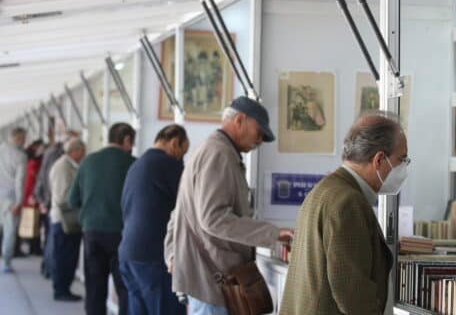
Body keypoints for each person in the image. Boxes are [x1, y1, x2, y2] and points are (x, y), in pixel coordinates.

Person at [166, 96, 293, 315]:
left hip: (206, 280)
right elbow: (214, 218)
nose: (260, 140)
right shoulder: (219, 154)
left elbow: (179, 211)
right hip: (212, 284)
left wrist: (171, 253)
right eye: (259, 132)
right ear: (240, 120)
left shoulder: (209, 149)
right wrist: (272, 233)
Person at [280, 112, 409, 315]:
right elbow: (353, 294)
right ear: (379, 160)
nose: (404, 167)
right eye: (402, 159)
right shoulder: (349, 202)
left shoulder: (325, 189)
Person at [119, 125, 189, 315]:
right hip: (153, 255)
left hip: (128, 253)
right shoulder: (167, 164)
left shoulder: (137, 164)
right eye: (183, 152)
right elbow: (191, 204)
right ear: (175, 143)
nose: (181, 159)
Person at [68, 123, 136, 315]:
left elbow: (72, 200)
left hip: (92, 232)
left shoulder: (88, 162)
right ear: (127, 140)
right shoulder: (132, 164)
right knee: (124, 289)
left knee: (95, 288)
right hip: (122, 235)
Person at [35, 129, 80, 278]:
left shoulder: (58, 157)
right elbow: (59, 192)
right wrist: (45, 200)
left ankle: (50, 270)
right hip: (61, 213)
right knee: (58, 248)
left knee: (54, 244)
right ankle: (53, 274)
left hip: (54, 206)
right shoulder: (60, 162)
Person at [49, 138, 86, 302]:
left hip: (65, 218)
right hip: (63, 219)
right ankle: (61, 289)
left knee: (67, 255)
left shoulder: (67, 165)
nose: (83, 156)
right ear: (75, 151)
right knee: (63, 255)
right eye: (82, 152)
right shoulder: (63, 167)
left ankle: (64, 288)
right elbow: (63, 196)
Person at [0, 127, 28, 273]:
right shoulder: (20, 156)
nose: (25, 142)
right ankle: (6, 262)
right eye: (24, 139)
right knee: (9, 232)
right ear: (18, 138)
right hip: (10, 199)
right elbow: (20, 180)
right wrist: (19, 201)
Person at [20, 139, 45, 256]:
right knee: (35, 223)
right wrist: (33, 196)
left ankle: (33, 246)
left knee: (34, 223)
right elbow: (31, 183)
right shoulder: (34, 165)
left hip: (29, 197)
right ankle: (34, 247)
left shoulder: (30, 164)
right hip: (31, 198)